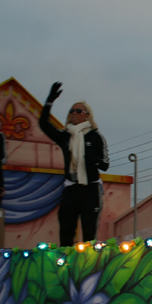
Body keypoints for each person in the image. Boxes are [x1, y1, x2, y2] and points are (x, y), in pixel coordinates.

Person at [39, 82, 109, 246]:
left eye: (78, 111)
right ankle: (66, 265)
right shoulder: (66, 136)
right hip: (71, 188)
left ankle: (88, 266)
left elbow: (105, 164)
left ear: (87, 115)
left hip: (90, 188)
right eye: (71, 111)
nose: (74, 113)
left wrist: (91, 158)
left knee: (89, 233)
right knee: (66, 231)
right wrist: (49, 101)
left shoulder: (95, 136)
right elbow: (43, 125)